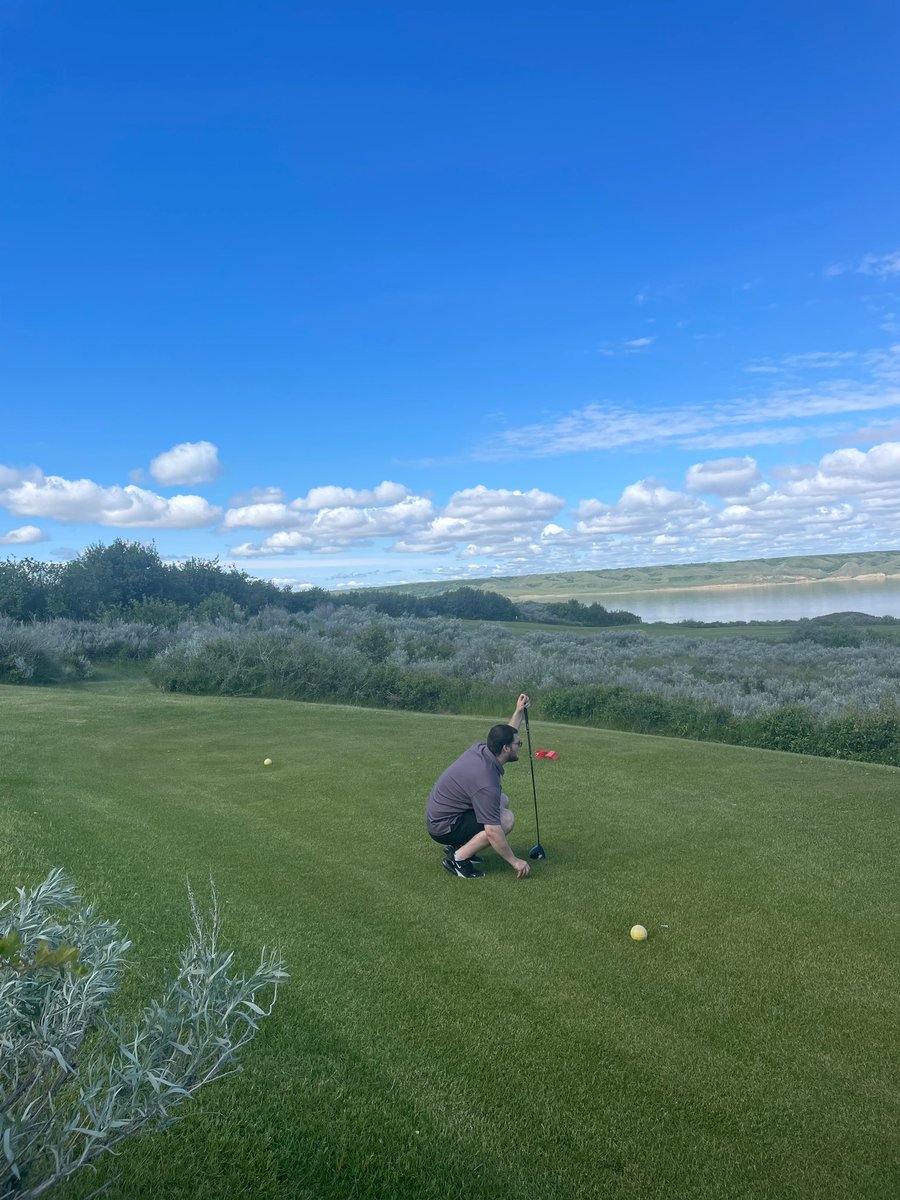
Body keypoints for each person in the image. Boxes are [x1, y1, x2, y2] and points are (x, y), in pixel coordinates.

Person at [425, 693, 532, 880]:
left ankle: (461, 845)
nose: (519, 746)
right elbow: (492, 830)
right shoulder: (486, 782)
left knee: (502, 800)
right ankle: (458, 858)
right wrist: (515, 861)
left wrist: (519, 711)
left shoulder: (484, 749)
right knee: (505, 820)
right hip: (444, 826)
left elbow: (507, 733)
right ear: (506, 748)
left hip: (445, 816)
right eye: (518, 743)